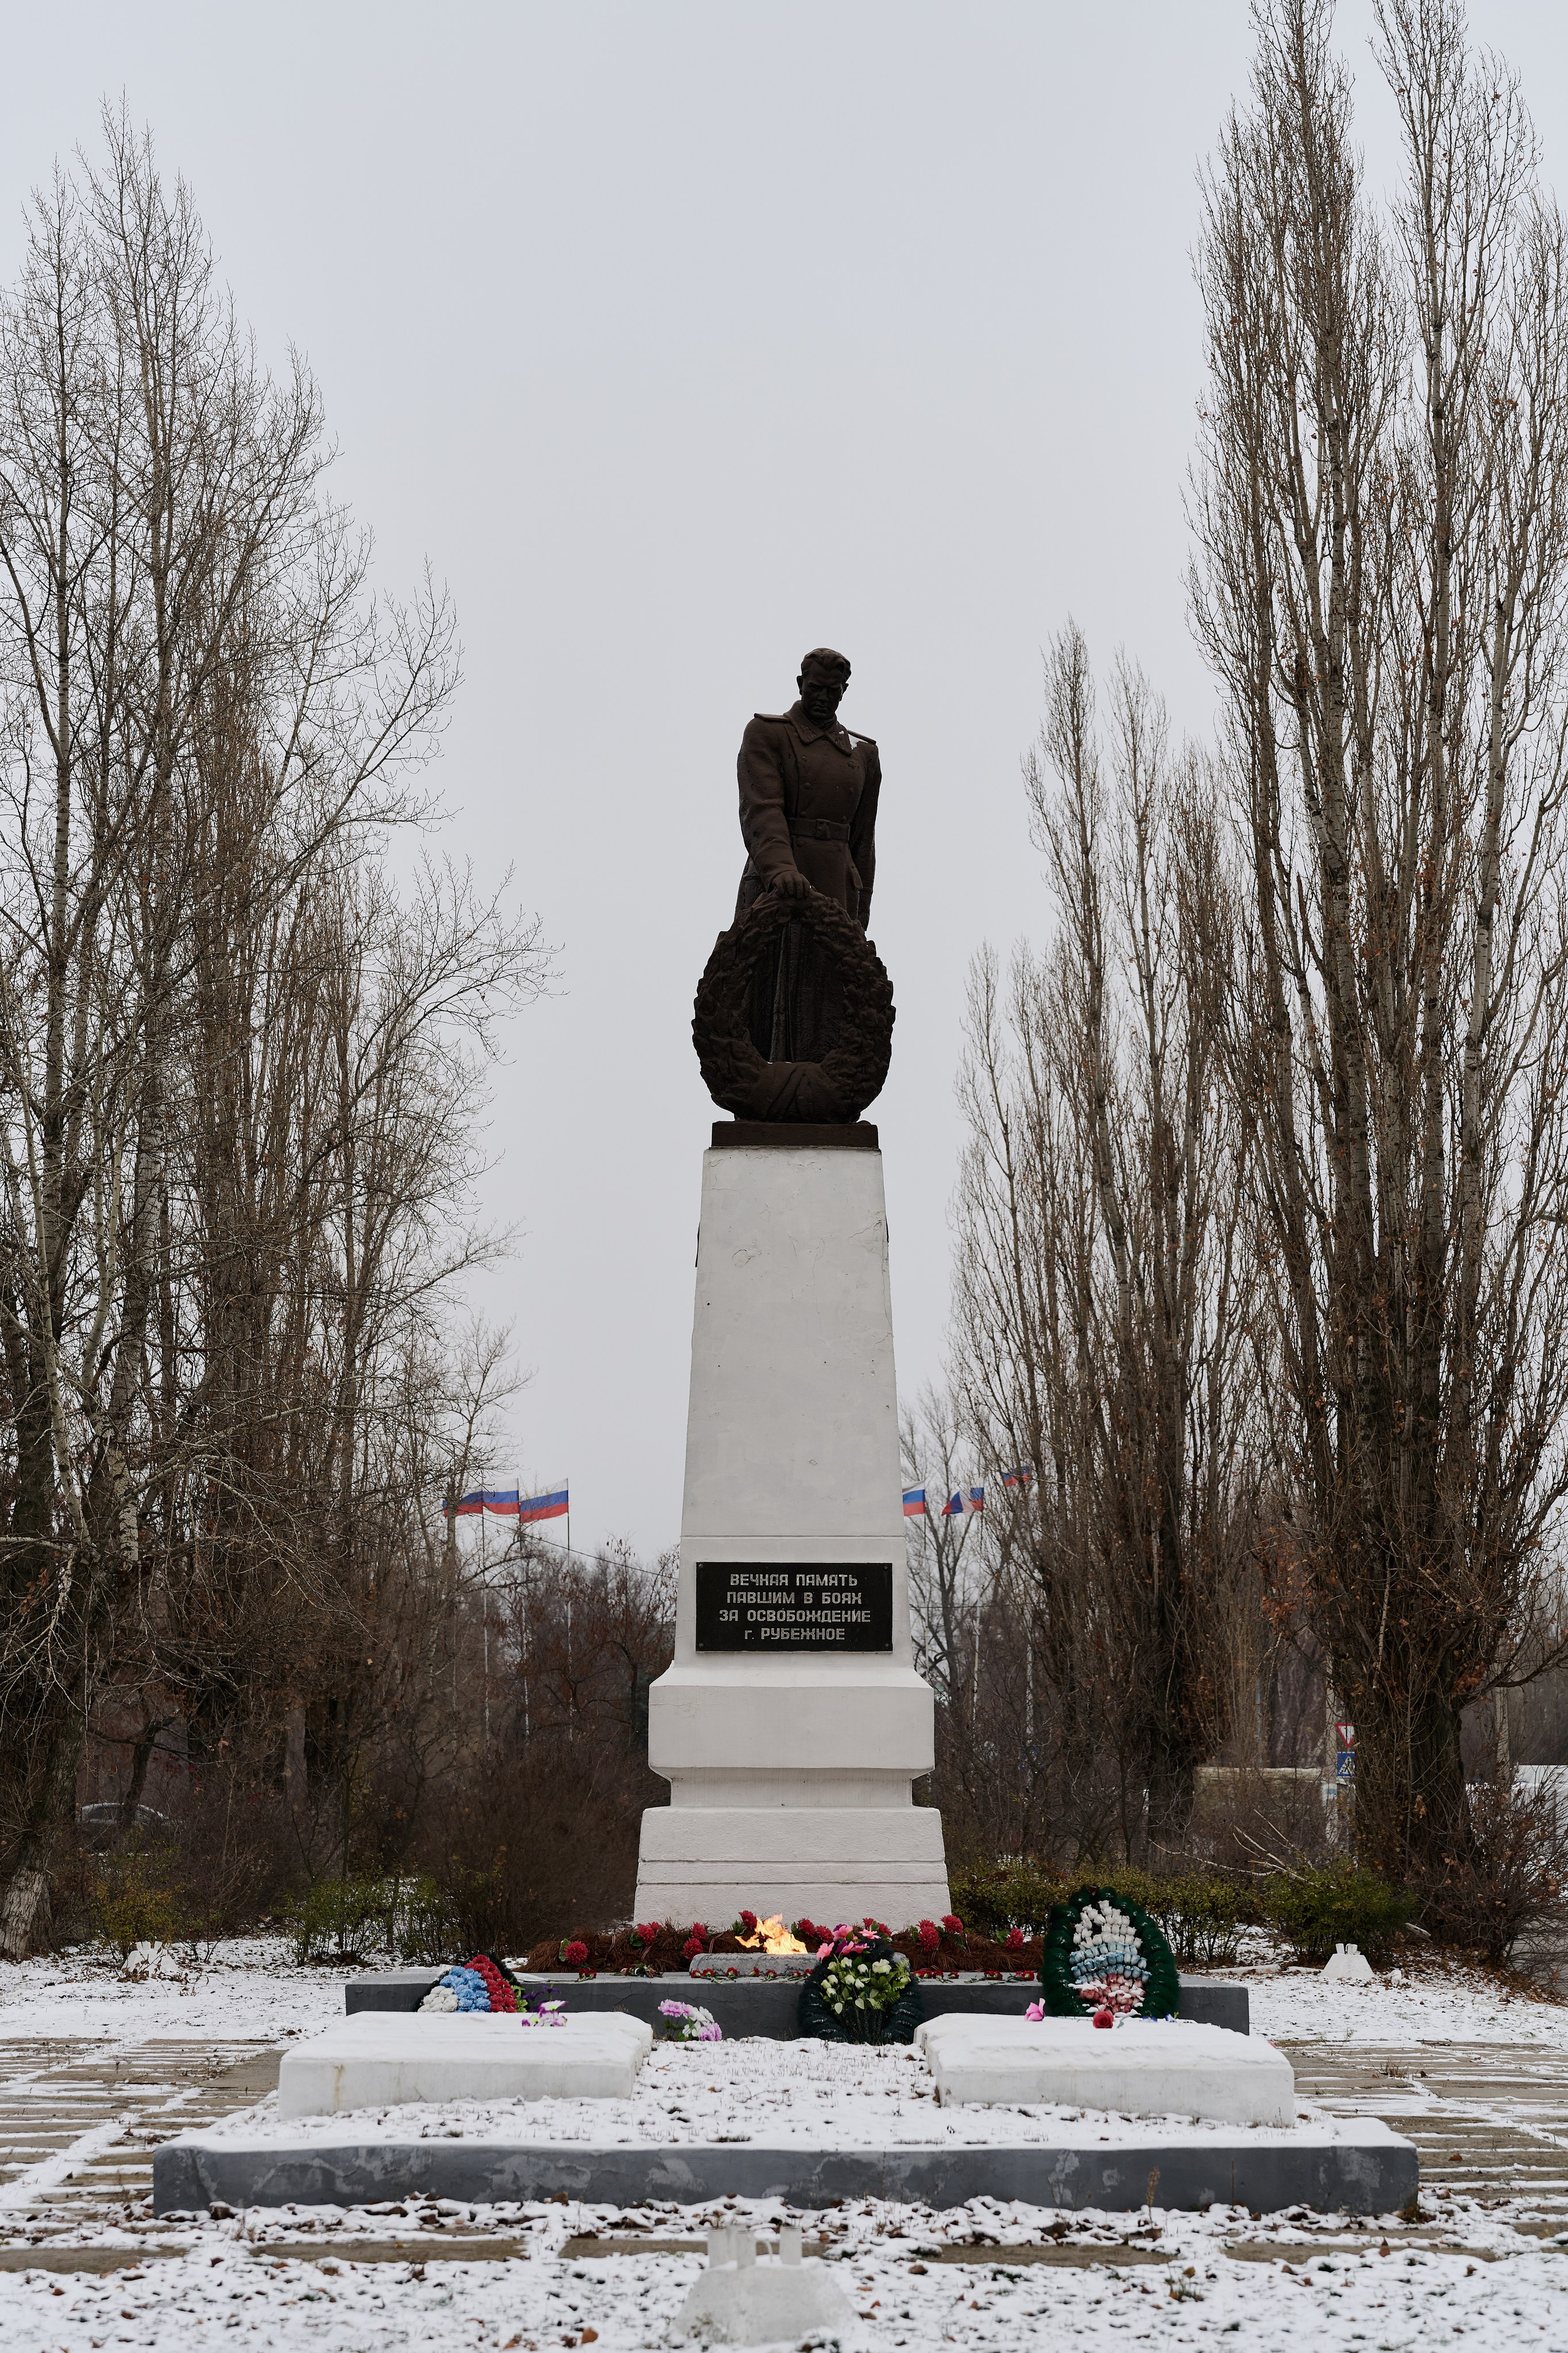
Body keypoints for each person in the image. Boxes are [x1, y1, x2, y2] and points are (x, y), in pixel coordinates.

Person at [733, 648, 881, 1063]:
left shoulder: (862, 754)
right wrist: (781, 871)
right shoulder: (768, 734)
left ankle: (825, 1090)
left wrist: (859, 913)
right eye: (816, 689)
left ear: (843, 693)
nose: (823, 698)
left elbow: (863, 842)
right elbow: (762, 810)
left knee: (828, 1002)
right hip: (778, 884)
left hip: (836, 891)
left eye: (833, 692)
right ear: (800, 685)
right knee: (768, 994)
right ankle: (766, 1090)